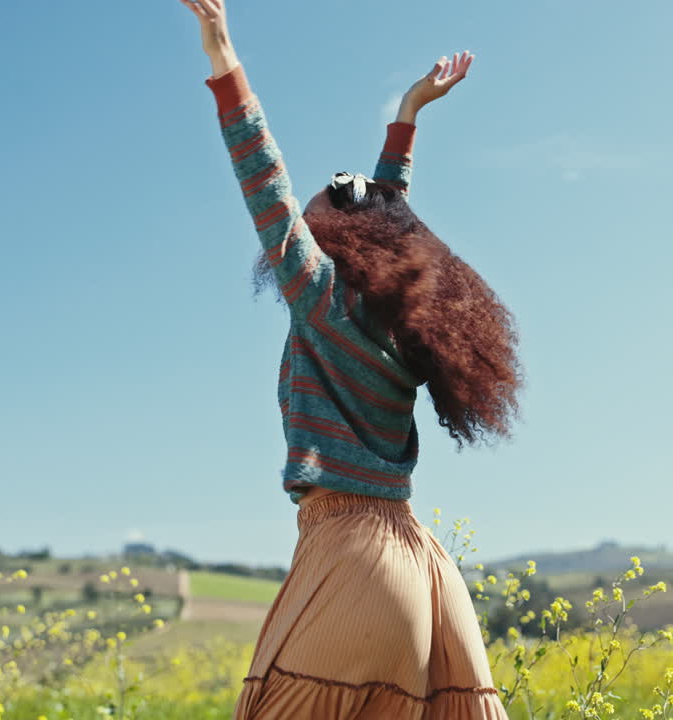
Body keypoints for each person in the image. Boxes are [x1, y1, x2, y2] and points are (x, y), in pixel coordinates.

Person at [180, 1, 524, 717]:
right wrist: (407, 117)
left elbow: (263, 178)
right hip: (423, 573)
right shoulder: (407, 328)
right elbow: (389, 216)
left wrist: (223, 57)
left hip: (350, 559)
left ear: (335, 238)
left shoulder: (320, 297)